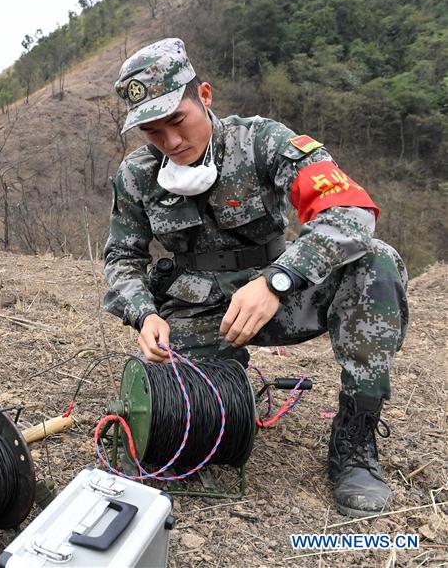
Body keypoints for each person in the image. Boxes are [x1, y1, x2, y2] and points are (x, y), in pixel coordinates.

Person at [102, 37, 409, 517]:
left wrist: (278, 281)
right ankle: (225, 387)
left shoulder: (261, 141)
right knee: (183, 421)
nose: (172, 142)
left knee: (377, 261)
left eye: (178, 122)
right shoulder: (137, 175)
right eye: (153, 133)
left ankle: (355, 439)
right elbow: (122, 258)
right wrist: (143, 315)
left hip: (281, 292)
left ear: (204, 95)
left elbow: (349, 210)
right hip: (198, 307)